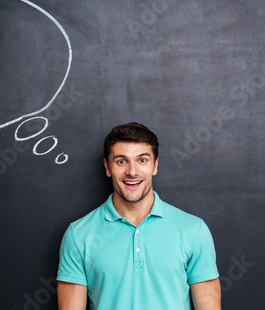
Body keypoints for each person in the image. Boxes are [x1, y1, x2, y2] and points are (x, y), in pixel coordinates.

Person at [57, 122, 221, 310]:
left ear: (155, 165)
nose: (132, 171)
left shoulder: (194, 230)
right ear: (107, 167)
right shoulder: (78, 235)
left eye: (142, 160)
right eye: (121, 161)